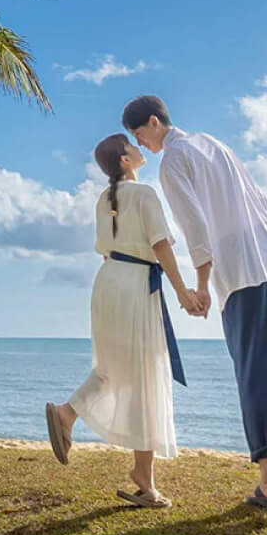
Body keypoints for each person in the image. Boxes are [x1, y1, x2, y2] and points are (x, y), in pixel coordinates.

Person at [123, 93, 267, 512]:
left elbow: (194, 225)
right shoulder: (214, 144)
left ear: (155, 122)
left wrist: (201, 285)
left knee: (256, 374)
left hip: (243, 274)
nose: (141, 144)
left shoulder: (174, 160)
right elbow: (264, 205)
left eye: (140, 134)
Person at [43, 133, 201, 508]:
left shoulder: (104, 199)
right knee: (144, 375)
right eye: (133, 146)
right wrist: (182, 291)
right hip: (135, 286)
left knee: (114, 368)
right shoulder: (144, 194)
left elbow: (107, 250)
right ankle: (142, 477)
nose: (139, 148)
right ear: (125, 161)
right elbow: (160, 245)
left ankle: (70, 414)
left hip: (108, 282)